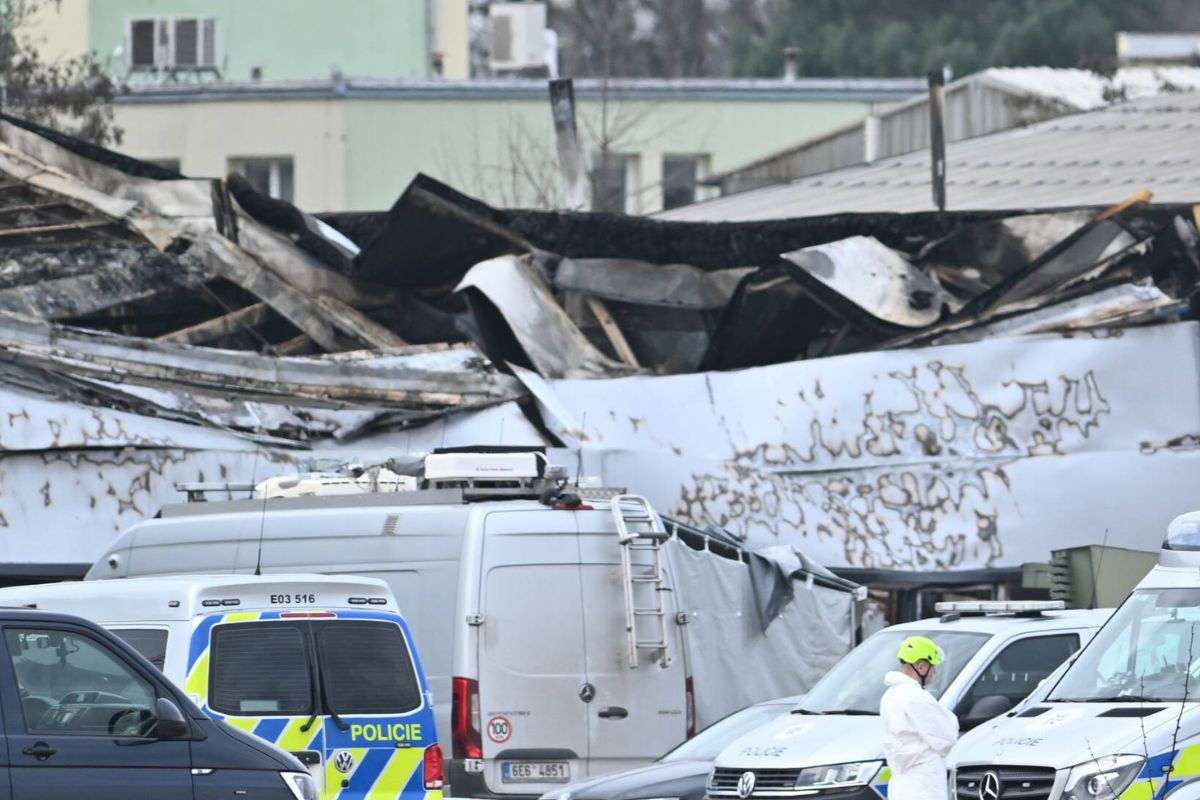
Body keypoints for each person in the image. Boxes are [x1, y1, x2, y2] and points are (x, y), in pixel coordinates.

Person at [879, 636, 959, 800]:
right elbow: (947, 736)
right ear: (921, 666)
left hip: (902, 787)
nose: (934, 672)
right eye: (932, 666)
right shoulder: (915, 697)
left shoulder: (891, 695)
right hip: (924, 786)